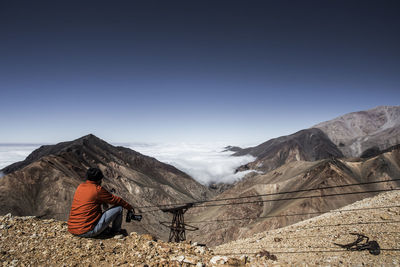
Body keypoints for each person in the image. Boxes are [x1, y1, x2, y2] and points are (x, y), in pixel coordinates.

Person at [68, 167, 133, 238]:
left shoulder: (80, 187)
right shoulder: (97, 190)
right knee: (119, 208)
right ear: (99, 179)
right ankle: (115, 232)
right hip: (87, 231)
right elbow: (116, 200)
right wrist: (129, 207)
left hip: (72, 229)